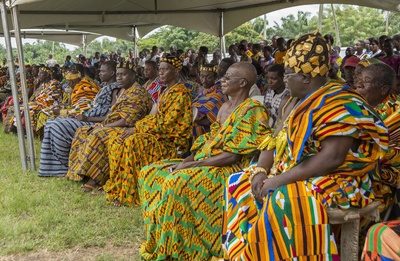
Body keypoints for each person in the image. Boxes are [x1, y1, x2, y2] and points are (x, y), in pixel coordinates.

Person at [223, 31, 389, 260]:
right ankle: (248, 253)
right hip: (299, 172)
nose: (284, 79)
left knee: (283, 197)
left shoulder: (340, 101)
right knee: (239, 182)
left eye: (289, 74)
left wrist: (278, 179)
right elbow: (274, 140)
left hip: (340, 181)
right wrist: (261, 171)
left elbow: (332, 158)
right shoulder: (295, 102)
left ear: (306, 78)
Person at [138, 62, 271, 260]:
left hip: (229, 168)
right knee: (150, 172)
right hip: (208, 159)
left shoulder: (253, 109)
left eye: (227, 78)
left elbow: (234, 155)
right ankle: (163, 238)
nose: (222, 81)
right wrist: (188, 160)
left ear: (242, 83)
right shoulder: (225, 106)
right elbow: (208, 142)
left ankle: (185, 245)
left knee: (177, 182)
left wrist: (191, 165)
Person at [103, 55, 193, 207]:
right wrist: (136, 128)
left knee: (132, 141)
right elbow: (153, 117)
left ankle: (131, 193)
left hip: (170, 139)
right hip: (157, 133)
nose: (161, 73)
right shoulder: (165, 91)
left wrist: (137, 128)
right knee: (116, 139)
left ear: (176, 71)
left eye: (165, 70)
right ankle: (119, 189)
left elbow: (167, 124)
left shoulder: (180, 93)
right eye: (160, 70)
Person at [66, 61, 152, 187]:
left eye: (123, 75)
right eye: (118, 75)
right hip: (114, 124)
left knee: (98, 134)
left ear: (133, 76)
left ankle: (95, 178)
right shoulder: (124, 91)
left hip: (127, 128)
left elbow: (126, 120)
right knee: (82, 131)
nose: (119, 78)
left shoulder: (138, 93)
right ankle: (78, 172)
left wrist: (103, 126)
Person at [38, 61, 119, 177]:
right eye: (99, 70)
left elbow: (112, 115)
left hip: (94, 121)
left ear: (111, 73)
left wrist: (87, 117)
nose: (99, 73)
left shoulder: (115, 89)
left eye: (102, 71)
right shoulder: (104, 87)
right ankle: (55, 167)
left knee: (57, 126)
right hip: (88, 116)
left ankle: (66, 164)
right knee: (51, 122)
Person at [356, 62, 400, 218]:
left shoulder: (395, 112)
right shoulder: (356, 105)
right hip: (358, 172)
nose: (358, 84)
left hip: (381, 182)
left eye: (366, 81)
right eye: (359, 79)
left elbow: (389, 153)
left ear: (383, 89)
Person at [35, 69, 101, 135]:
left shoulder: (83, 88)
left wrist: (61, 112)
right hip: (78, 111)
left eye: (68, 82)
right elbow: (75, 104)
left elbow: (84, 108)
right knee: (46, 112)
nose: (68, 84)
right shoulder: (81, 85)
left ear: (71, 82)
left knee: (49, 115)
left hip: (86, 117)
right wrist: (63, 107)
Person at [192, 63, 227, 139]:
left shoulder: (219, 94)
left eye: (208, 77)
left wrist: (193, 118)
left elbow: (205, 119)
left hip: (209, 136)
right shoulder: (203, 91)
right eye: (202, 76)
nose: (204, 80)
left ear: (215, 77)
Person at [263, 64, 289, 129]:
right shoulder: (269, 92)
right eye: (267, 78)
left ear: (283, 78)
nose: (269, 82)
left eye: (274, 79)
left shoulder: (287, 96)